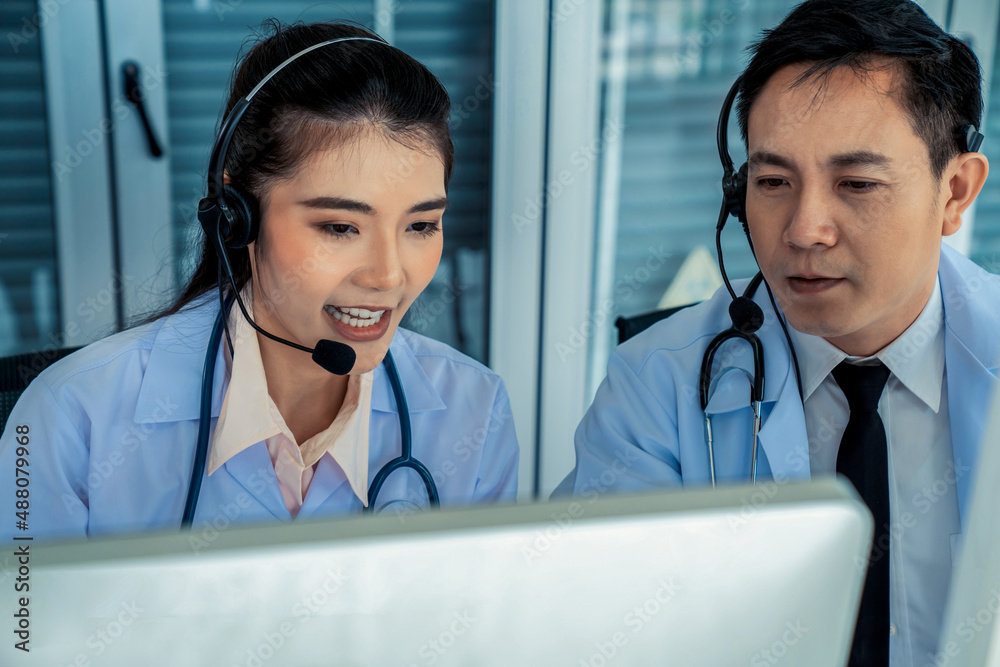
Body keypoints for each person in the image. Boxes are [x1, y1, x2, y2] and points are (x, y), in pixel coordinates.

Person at [559, 1, 995, 665]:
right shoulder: (656, 386)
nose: (803, 229)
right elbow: (600, 630)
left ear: (956, 193)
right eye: (771, 181)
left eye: (855, 182)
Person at [0, 21, 518, 542]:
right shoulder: (72, 418)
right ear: (237, 215)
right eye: (341, 227)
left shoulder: (475, 410)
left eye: (420, 225)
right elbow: (24, 622)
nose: (388, 275)